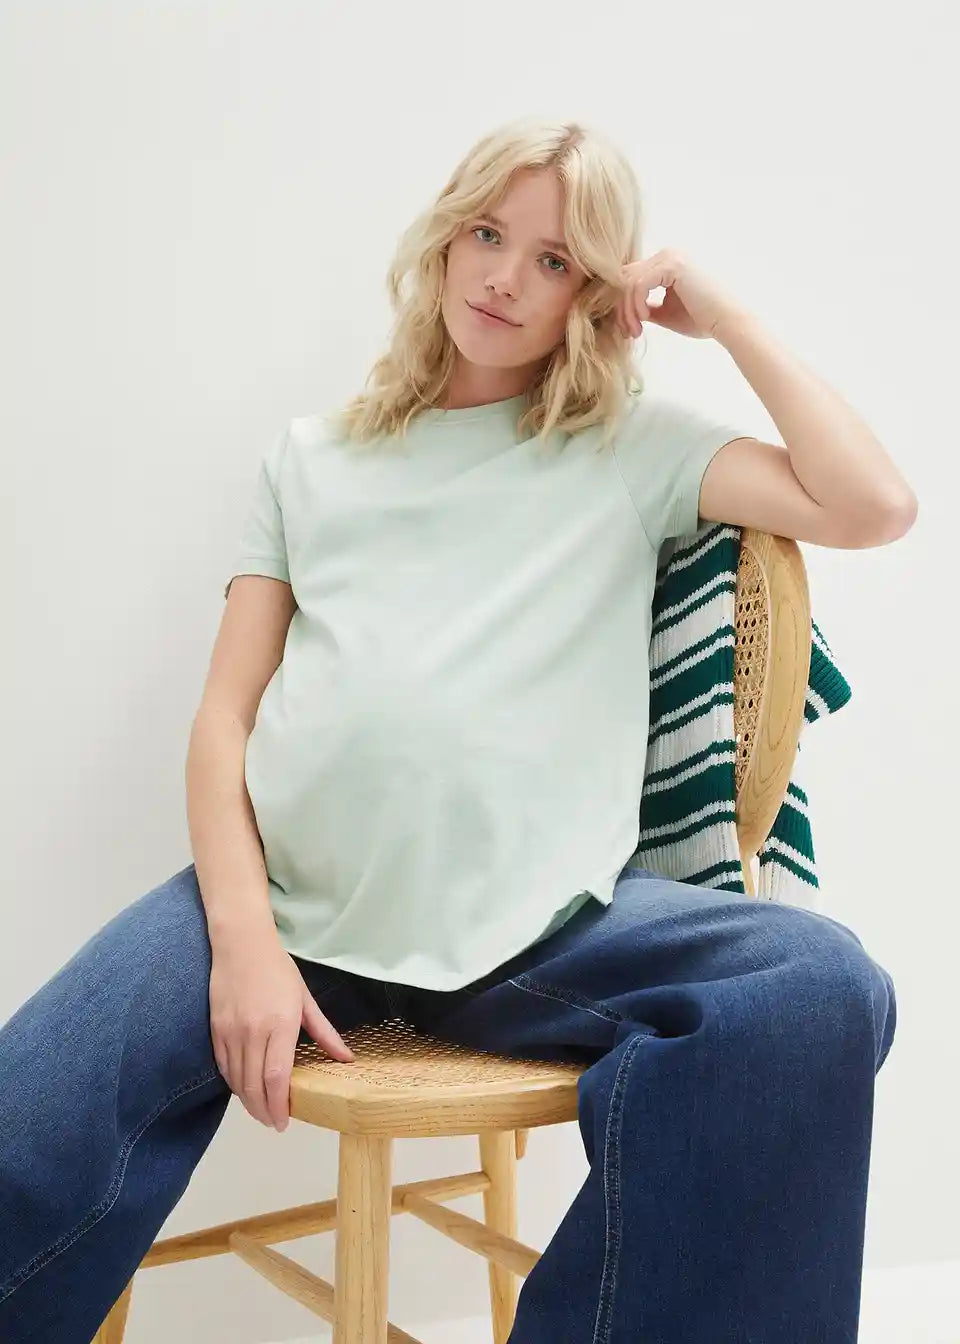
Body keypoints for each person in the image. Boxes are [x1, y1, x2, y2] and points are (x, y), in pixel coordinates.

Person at [0, 116, 912, 1344]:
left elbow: (873, 505)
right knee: (25, 1127)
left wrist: (726, 314)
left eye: (554, 260)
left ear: (592, 296)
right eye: (488, 234)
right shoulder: (312, 459)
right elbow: (223, 722)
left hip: (538, 928)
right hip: (291, 907)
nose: (505, 277)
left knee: (817, 986)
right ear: (443, 240)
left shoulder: (626, 450)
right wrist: (245, 940)